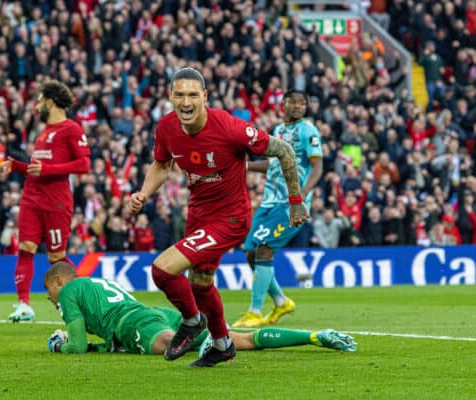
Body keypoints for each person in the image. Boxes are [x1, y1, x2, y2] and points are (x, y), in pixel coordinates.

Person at [129, 68, 309, 367]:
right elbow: (161, 165)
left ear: (205, 97)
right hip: (198, 214)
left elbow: (284, 150)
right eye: (179, 95)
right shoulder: (166, 128)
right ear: (170, 97)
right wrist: (144, 193)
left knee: (162, 271)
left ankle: (191, 321)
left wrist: (296, 201)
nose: (186, 102)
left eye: (192, 95)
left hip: (231, 218)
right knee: (199, 284)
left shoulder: (229, 127)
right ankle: (223, 344)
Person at [44, 262, 356, 358]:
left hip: (134, 322)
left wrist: (60, 346)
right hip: (151, 313)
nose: (49, 297)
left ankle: (203, 342)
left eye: (48, 289)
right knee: (238, 339)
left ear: (58, 280)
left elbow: (78, 346)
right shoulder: (95, 283)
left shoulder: (69, 290)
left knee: (168, 344)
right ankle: (314, 335)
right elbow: (98, 346)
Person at [1, 80, 91, 322]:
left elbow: (84, 164)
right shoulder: (43, 133)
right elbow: (37, 169)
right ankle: (23, 305)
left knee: (55, 256)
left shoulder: (71, 129)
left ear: (50, 102)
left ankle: (87, 297)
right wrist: (18, 166)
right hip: (31, 198)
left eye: (40, 100)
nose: (36, 105)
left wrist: (49, 169)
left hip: (56, 202)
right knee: (25, 248)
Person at [233, 90, 323, 328]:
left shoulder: (308, 131)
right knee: (251, 251)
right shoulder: (278, 132)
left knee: (264, 249)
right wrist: (246, 167)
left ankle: (254, 311)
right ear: (283, 105)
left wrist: (300, 198)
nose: (298, 106)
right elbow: (273, 164)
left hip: (289, 203)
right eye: (293, 102)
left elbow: (317, 167)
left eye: (302, 102)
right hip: (268, 201)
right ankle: (281, 301)